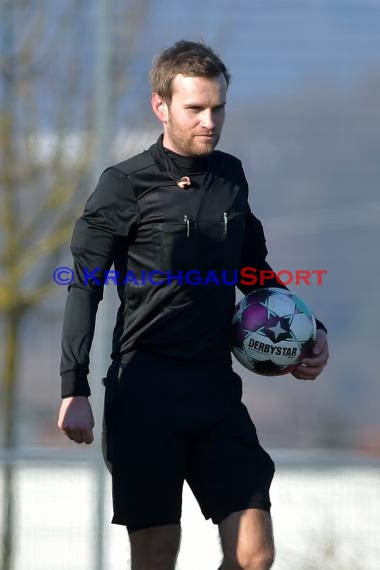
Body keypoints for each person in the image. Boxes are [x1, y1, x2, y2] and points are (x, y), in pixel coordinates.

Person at [58, 40, 329, 570]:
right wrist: (74, 389)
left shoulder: (231, 177)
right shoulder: (123, 185)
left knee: (254, 555)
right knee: (157, 559)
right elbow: (83, 285)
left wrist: (306, 330)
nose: (210, 120)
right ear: (161, 106)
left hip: (215, 393)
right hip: (144, 395)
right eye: (195, 108)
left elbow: (253, 272)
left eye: (218, 107)